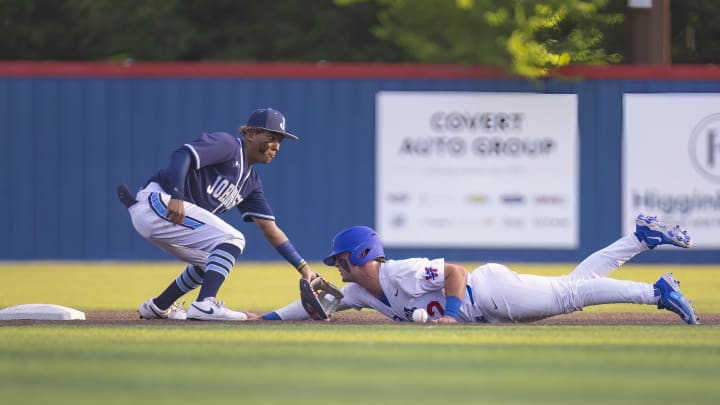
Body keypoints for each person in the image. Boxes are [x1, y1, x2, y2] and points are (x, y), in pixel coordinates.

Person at [257, 214, 699, 325]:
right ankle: (640, 238)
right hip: (486, 302)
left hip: (486, 293)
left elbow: (456, 272)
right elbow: (318, 306)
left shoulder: (397, 272)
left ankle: (655, 293)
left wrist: (449, 313)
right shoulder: (359, 293)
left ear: (358, 255)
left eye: (338, 260)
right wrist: (264, 319)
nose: (334, 268)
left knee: (570, 295)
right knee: (573, 285)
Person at [120, 108, 316, 321]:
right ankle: (205, 304)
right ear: (250, 134)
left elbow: (270, 229)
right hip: (158, 202)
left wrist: (304, 268)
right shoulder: (229, 145)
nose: (276, 146)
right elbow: (182, 155)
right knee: (233, 239)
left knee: (212, 261)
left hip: (164, 213)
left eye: (280, 140)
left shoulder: (251, 183)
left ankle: (158, 306)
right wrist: (177, 195)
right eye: (271, 137)